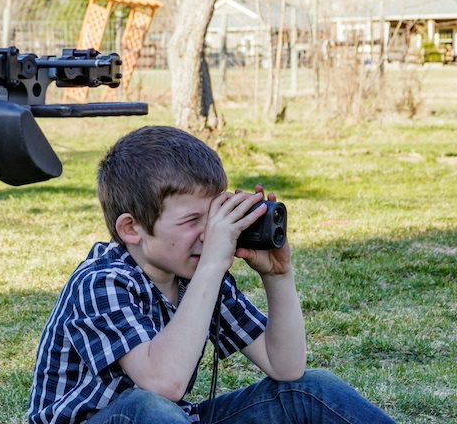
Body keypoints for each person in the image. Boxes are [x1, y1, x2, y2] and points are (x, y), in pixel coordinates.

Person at [27, 126, 395, 424]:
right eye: (192, 220)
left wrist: (279, 277)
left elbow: (285, 366)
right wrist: (213, 266)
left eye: (215, 216)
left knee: (311, 388)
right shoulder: (102, 281)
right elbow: (163, 383)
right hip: (111, 419)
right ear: (132, 229)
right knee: (148, 407)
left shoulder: (197, 276)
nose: (211, 234)